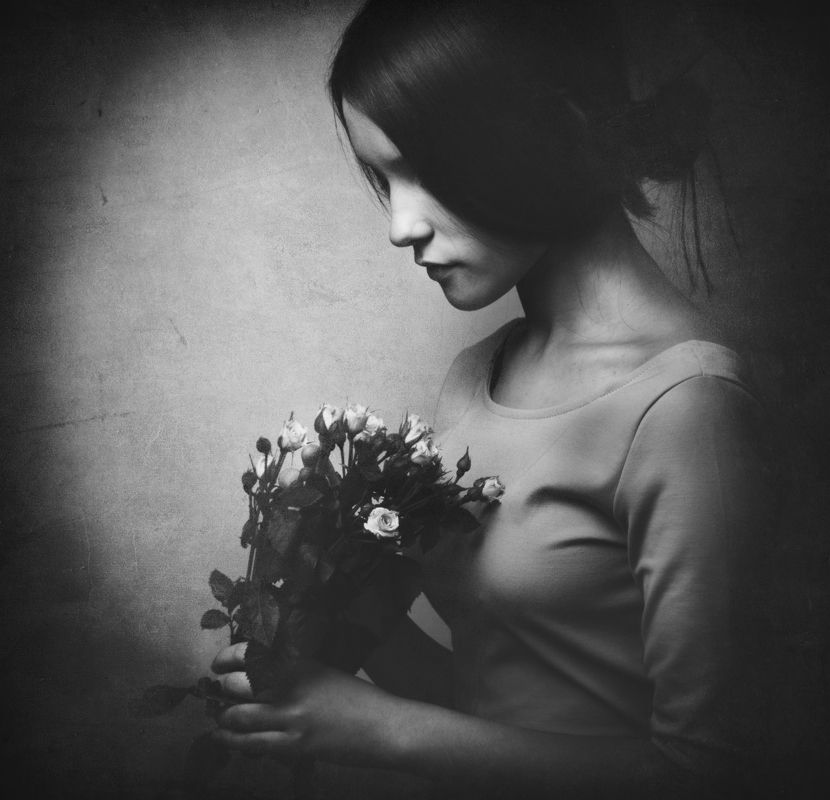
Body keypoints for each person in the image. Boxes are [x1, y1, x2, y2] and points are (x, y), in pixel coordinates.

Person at [210, 1, 783, 796]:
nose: (400, 226)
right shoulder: (476, 375)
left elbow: (708, 775)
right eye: (385, 181)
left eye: (425, 170)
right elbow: (501, 711)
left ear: (549, 134)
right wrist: (332, 622)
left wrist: (378, 729)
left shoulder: (688, 409)